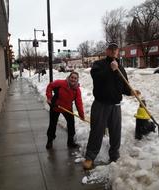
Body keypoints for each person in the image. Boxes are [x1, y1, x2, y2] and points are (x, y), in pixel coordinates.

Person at [83, 42, 140, 170]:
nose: (114, 52)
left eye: (116, 50)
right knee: (97, 131)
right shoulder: (99, 64)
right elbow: (97, 78)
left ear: (118, 52)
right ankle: (90, 157)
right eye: (111, 49)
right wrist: (110, 69)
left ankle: (114, 156)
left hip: (115, 105)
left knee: (116, 132)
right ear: (107, 51)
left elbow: (124, 86)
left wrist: (131, 91)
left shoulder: (121, 68)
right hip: (101, 105)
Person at [45, 71, 85, 149]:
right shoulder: (60, 83)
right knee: (52, 124)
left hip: (67, 108)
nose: (73, 79)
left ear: (77, 80)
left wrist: (81, 115)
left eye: (75, 78)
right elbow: (50, 86)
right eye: (72, 77)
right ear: (69, 77)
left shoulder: (77, 90)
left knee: (71, 124)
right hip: (56, 106)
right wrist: (49, 97)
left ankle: (70, 142)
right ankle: (50, 140)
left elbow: (79, 102)